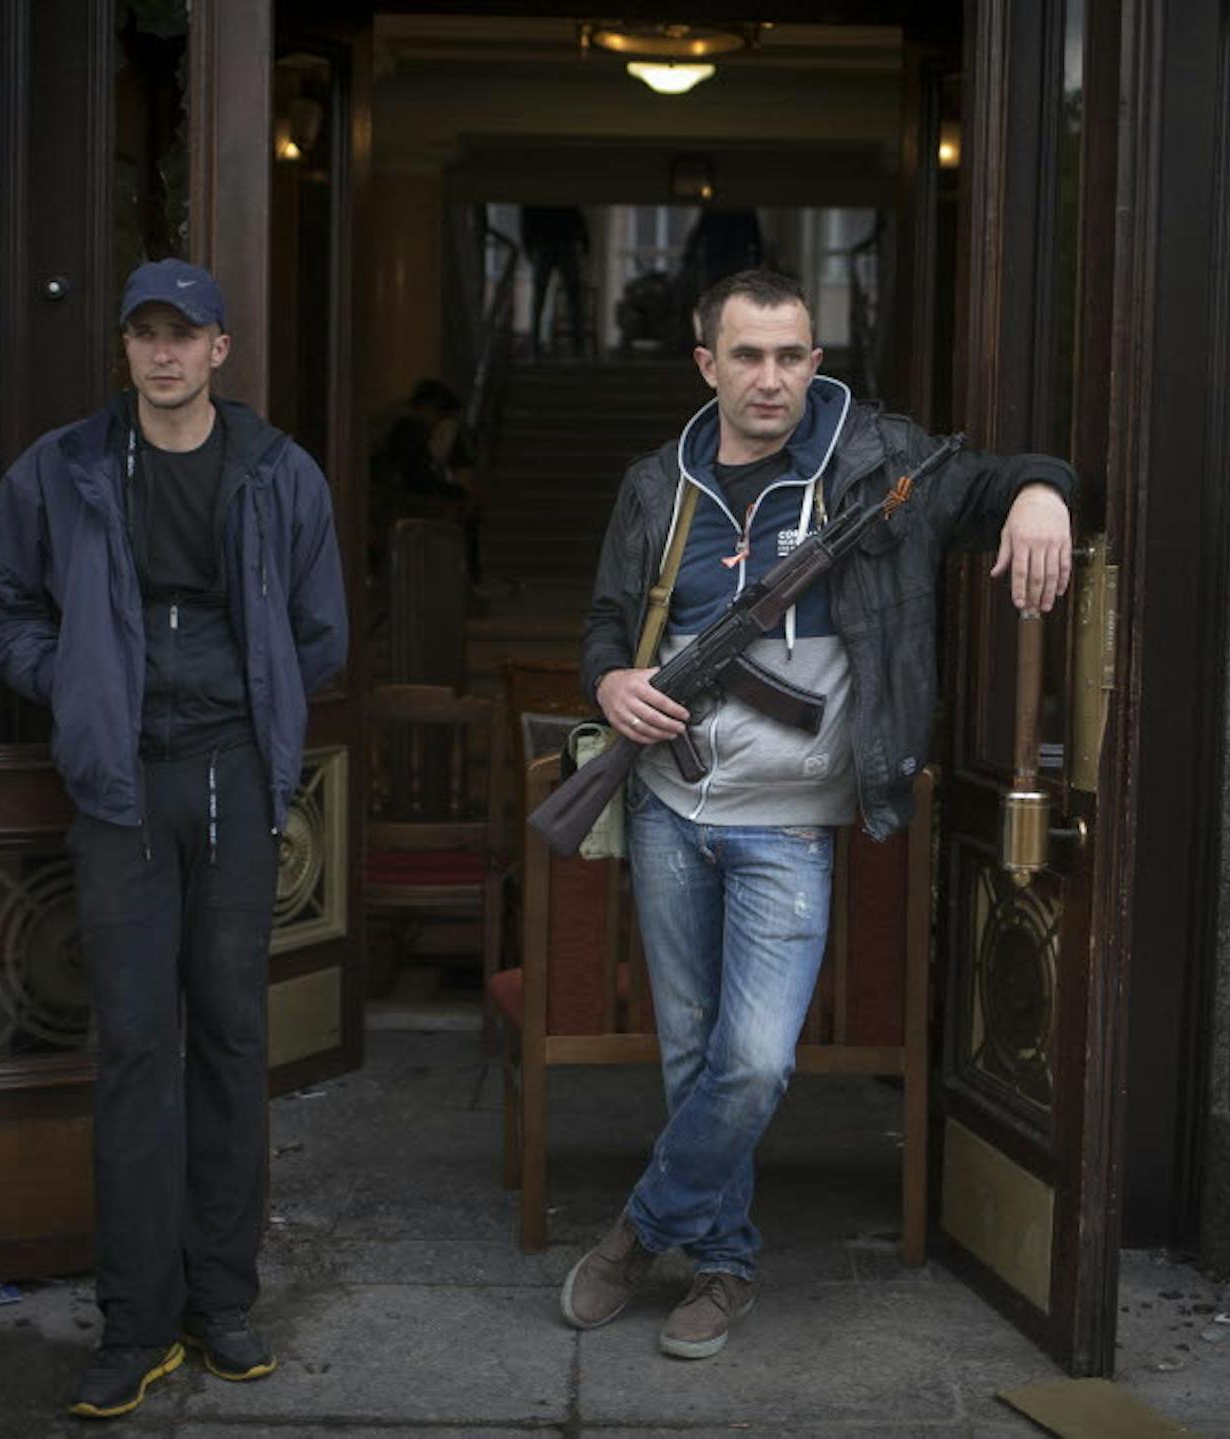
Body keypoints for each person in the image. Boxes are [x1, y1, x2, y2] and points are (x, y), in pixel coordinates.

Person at [563, 270, 1074, 1358]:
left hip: (787, 825)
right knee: (692, 1054)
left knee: (753, 1060)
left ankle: (637, 1228)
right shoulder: (659, 484)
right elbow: (607, 623)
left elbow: (986, 487)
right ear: (707, 365)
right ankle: (723, 1264)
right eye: (747, 356)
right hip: (665, 805)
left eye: (792, 355)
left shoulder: (879, 465)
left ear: (816, 360)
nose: (772, 378)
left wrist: (1042, 491)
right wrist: (610, 683)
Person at [0, 258, 348, 1418]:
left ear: (220, 348)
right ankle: (136, 1322)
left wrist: (258, 701)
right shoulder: (69, 466)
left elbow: (319, 628)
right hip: (121, 783)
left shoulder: (278, 471)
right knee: (137, 1047)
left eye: (184, 333)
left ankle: (220, 1301)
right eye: (145, 333)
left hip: (235, 772)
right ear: (127, 348)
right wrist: (80, 684)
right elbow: (2, 603)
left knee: (233, 1036)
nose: (164, 353)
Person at [369, 377, 483, 584]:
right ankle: (465, 579)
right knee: (455, 516)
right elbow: (419, 478)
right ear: (429, 408)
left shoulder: (402, 429)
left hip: (393, 497)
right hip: (397, 500)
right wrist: (454, 493)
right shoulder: (410, 431)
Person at [520, 205, 590, 357]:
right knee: (573, 298)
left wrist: (528, 247)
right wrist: (585, 243)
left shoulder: (536, 193)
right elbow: (577, 215)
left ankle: (535, 348)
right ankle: (578, 348)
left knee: (540, 299)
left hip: (546, 242)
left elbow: (526, 220)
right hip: (562, 241)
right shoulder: (557, 192)